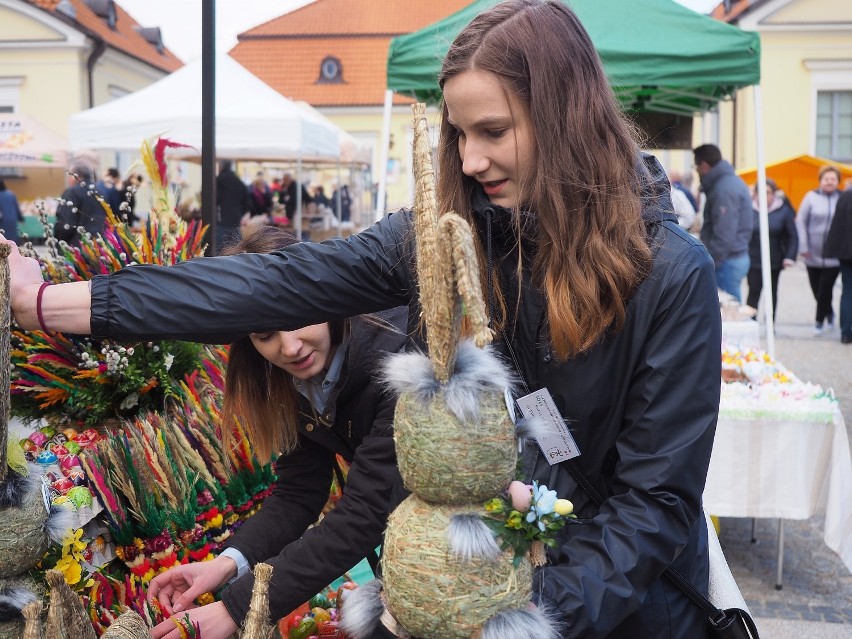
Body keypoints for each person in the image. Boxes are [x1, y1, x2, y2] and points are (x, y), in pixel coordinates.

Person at [7, 2, 720, 637]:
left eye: (493, 131)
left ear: (564, 114)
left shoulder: (672, 274)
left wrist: (518, 622)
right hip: (501, 575)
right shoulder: (452, 235)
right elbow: (278, 280)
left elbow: (652, 507)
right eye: (459, 135)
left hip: (625, 608)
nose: (469, 160)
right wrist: (54, 304)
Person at [146, 226, 408, 638]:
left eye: (297, 319)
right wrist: (225, 563)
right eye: (265, 334)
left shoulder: (396, 363)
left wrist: (236, 609)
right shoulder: (296, 382)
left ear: (327, 294)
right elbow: (299, 493)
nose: (289, 348)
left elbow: (364, 513)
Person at [694, 143, 754, 302]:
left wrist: (712, 263)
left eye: (697, 167)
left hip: (727, 260)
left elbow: (724, 233)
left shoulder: (724, 189)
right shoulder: (728, 183)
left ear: (704, 165)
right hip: (732, 257)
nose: (697, 172)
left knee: (728, 312)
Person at [796, 165, 842, 336]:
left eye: (833, 179)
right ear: (820, 180)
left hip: (834, 256)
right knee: (817, 289)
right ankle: (829, 312)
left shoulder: (843, 198)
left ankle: (819, 321)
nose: (829, 182)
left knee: (825, 288)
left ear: (837, 181)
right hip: (812, 254)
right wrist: (804, 246)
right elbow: (801, 221)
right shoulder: (811, 197)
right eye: (826, 179)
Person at [746, 178, 798, 319]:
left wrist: (790, 256)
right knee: (754, 291)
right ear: (755, 194)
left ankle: (770, 322)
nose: (764, 196)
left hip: (774, 259)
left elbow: (792, 236)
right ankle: (751, 322)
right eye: (760, 192)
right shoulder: (748, 210)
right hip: (753, 259)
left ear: (774, 194)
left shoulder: (784, 211)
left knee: (772, 292)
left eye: (768, 192)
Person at [825, 179, 852, 344]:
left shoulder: (844, 198)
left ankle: (845, 331)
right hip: (846, 254)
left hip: (846, 254)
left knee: (847, 291)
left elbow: (836, 227)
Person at [54, 163, 108, 244]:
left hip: (78, 246)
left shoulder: (72, 192)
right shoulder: (101, 192)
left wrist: (60, 243)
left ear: (74, 176)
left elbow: (66, 224)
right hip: (101, 244)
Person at [215, 159, 250, 253]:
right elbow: (247, 200)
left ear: (221, 166)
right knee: (236, 250)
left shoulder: (219, 180)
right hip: (236, 219)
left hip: (222, 220)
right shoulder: (238, 181)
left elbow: (215, 199)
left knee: (219, 250)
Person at [0, 178, 23, 244]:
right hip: (12, 219)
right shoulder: (11, 194)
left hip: (2, 220)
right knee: (12, 240)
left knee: (3, 239)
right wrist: (21, 218)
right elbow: (16, 207)